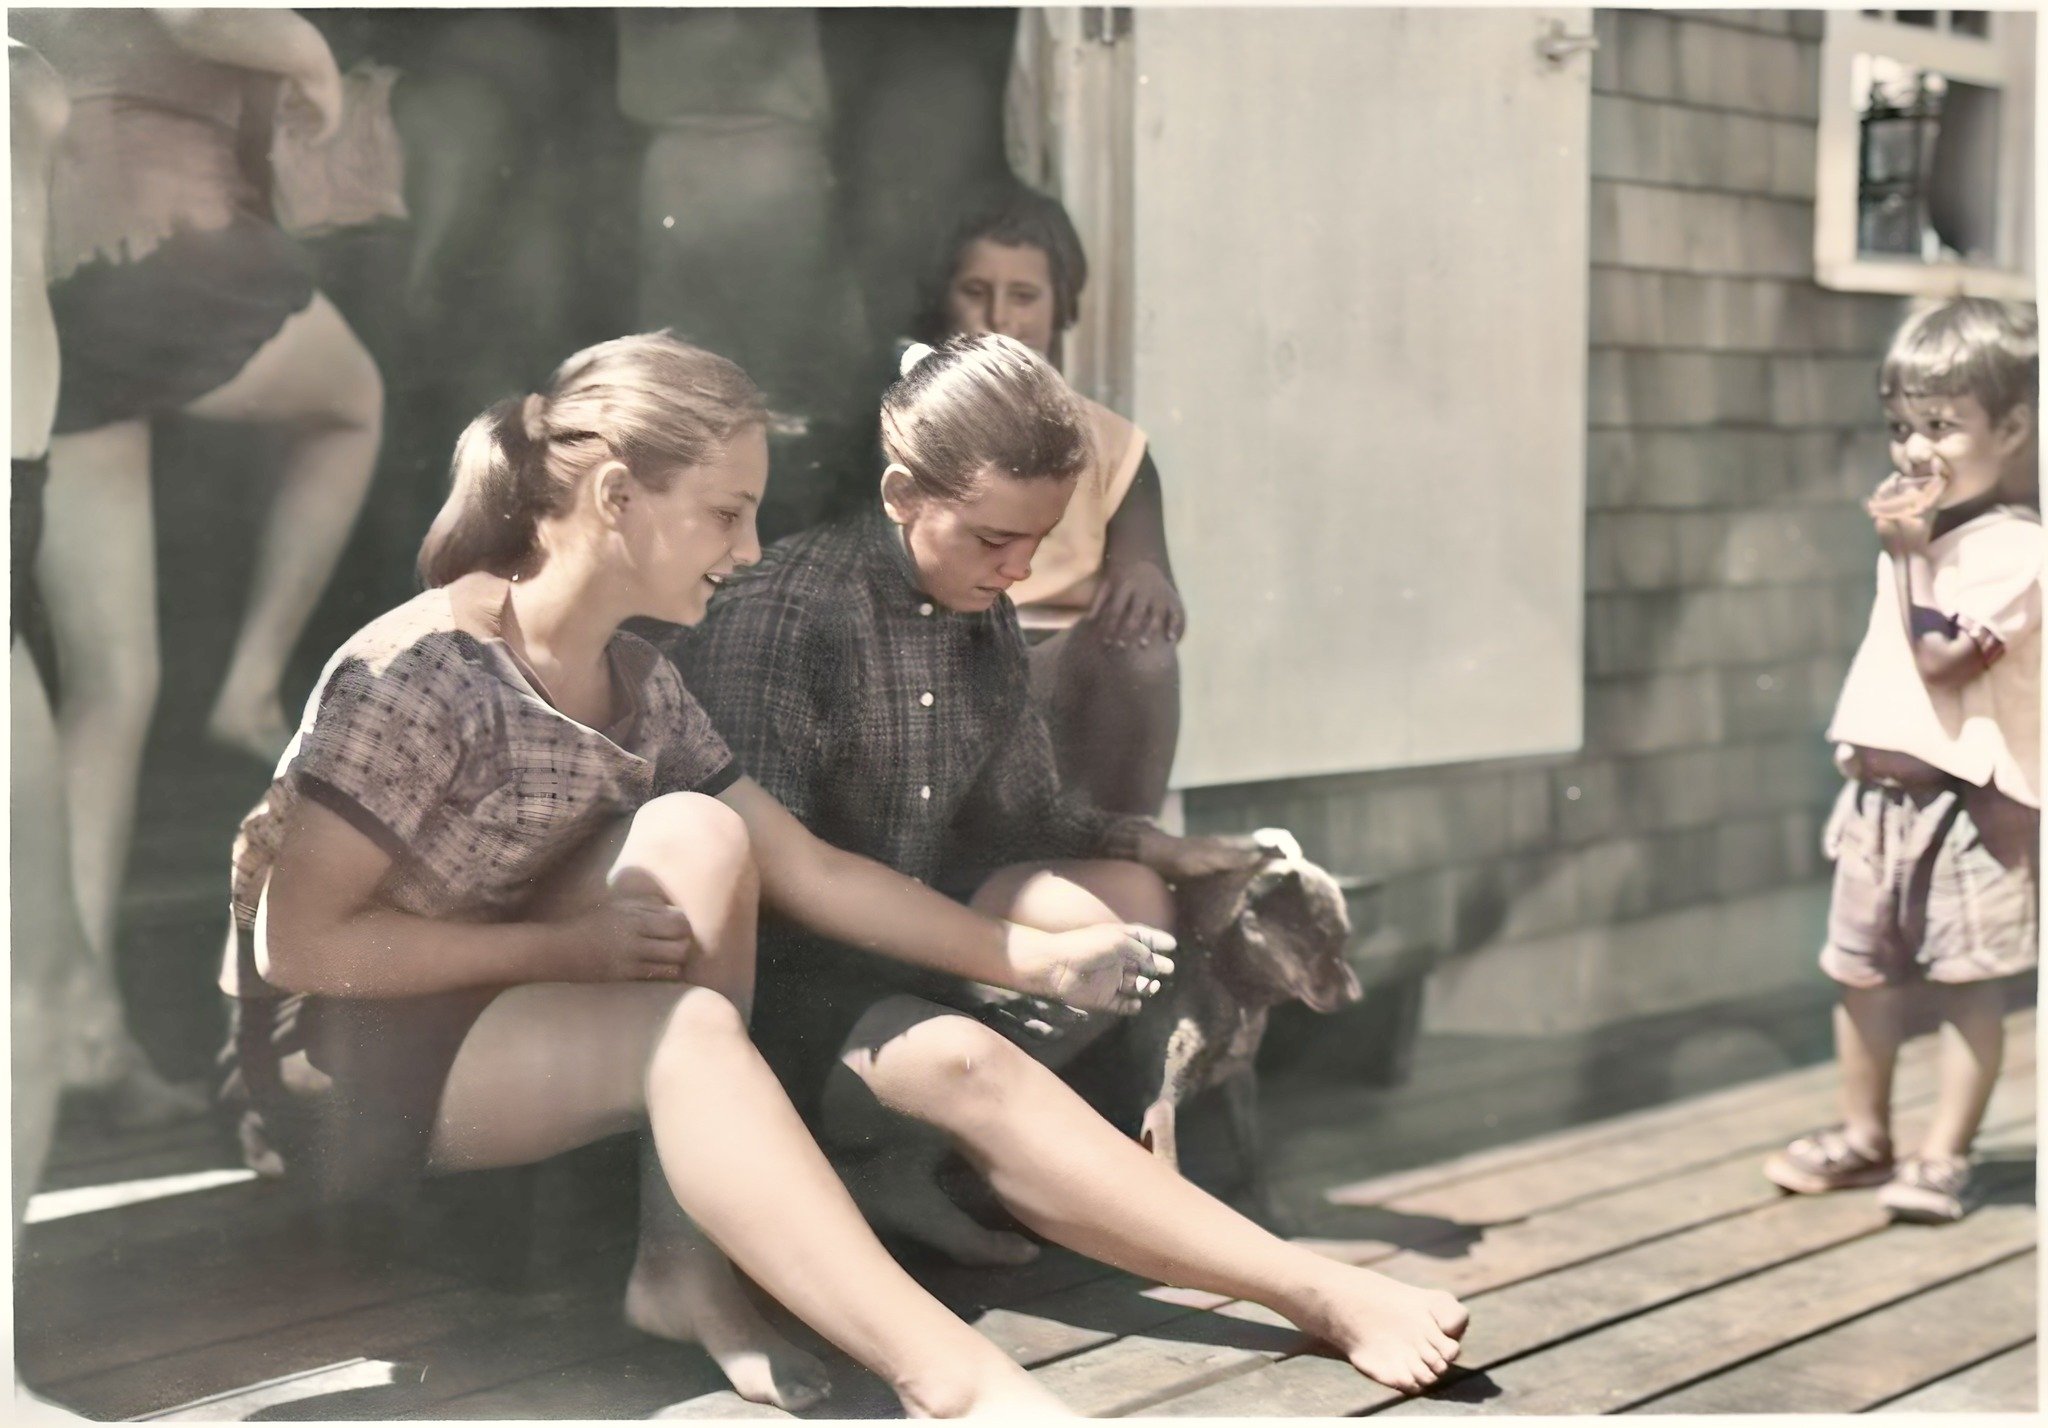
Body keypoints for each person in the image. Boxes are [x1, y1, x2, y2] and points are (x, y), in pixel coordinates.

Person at [218, 331, 1184, 1416]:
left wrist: (1035, 957)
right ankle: (954, 1378)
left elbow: (812, 872)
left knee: (701, 835)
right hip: (336, 1065)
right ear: (619, 496)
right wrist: (564, 951)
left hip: (494, 1014)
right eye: (727, 513)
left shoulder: (637, 679)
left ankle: (685, 1268)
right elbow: (297, 947)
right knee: (687, 1034)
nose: (748, 545)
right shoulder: (420, 670)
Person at [674, 333, 1468, 1394]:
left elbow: (1024, 816)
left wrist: (1164, 849)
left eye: (1038, 541)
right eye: (996, 539)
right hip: (775, 991)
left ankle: (905, 1166)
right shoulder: (787, 614)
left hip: (908, 948)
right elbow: (778, 877)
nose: (1018, 571)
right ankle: (1309, 1288)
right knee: (969, 1062)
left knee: (1128, 900)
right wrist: (1015, 960)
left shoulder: (977, 611)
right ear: (903, 491)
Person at [9, 9, 386, 1121]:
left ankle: (82, 1030)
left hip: (52, 272)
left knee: (111, 682)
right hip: (149, 228)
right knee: (351, 402)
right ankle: (251, 681)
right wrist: (308, 55)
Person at [1764, 299, 2039, 1224]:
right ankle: (1863, 1131)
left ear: (2012, 427)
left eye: (1941, 426)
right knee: (1860, 972)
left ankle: (1941, 1152)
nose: (1915, 449)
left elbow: (1944, 660)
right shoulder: (1922, 537)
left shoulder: (2015, 550)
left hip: (1967, 808)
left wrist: (1908, 556)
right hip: (1879, 799)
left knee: (1967, 982)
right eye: (1899, 427)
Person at [916, 186, 1183, 815]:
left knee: (1143, 650)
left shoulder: (1113, 447)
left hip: (1064, 684)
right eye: (976, 292)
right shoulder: (905, 430)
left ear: (1062, 309)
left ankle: (1127, 839)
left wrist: (1144, 576)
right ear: (945, 300)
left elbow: (1148, 575)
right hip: (944, 675)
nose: (999, 318)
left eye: (1025, 297)